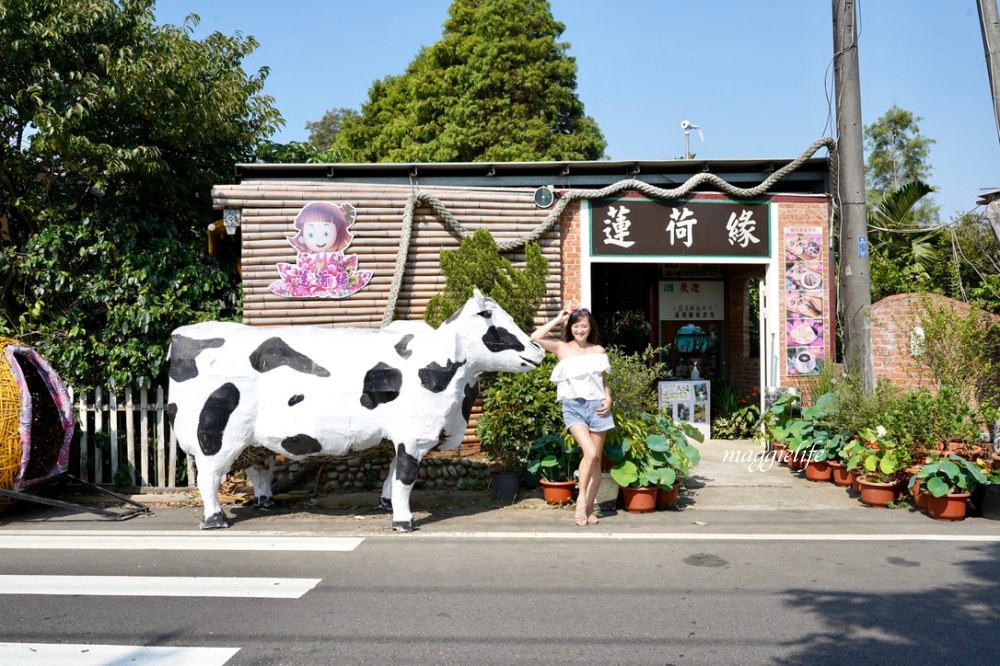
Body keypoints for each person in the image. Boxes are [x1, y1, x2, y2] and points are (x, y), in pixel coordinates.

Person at [531, 307, 614, 526]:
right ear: (570, 328)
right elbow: (534, 337)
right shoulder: (561, 347)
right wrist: (559, 318)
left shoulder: (598, 351)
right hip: (573, 407)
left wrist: (609, 399)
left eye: (584, 326)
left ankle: (588, 508)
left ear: (590, 328)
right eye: (575, 326)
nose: (579, 330)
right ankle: (581, 500)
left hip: (598, 406)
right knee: (590, 451)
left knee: (596, 460)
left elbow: (604, 381)